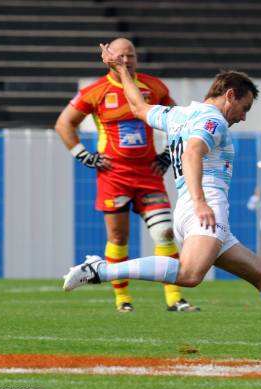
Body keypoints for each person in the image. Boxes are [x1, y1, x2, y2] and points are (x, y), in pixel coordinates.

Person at [63, 43, 261, 359]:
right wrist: (201, 202)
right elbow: (194, 150)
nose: (242, 116)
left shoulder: (180, 114)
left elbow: (139, 108)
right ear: (229, 95)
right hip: (205, 208)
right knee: (190, 275)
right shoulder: (214, 120)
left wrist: (121, 70)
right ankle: (100, 270)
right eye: (245, 107)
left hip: (198, 212)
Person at [55, 38, 198, 313]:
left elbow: (180, 119)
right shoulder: (95, 91)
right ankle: (122, 300)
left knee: (165, 233)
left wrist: (168, 153)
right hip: (114, 175)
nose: (126, 60)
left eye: (130, 55)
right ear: (108, 58)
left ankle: (174, 298)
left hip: (148, 173)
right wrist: (84, 156)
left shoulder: (154, 87)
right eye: (121, 55)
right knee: (119, 238)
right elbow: (64, 123)